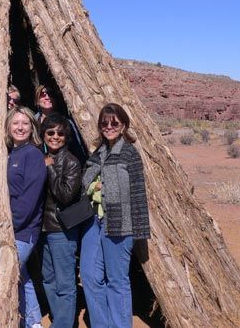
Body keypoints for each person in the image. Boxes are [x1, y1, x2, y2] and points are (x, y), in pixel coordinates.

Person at [80, 103, 150, 328]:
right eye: (104, 123)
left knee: (117, 281)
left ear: (123, 126)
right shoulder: (98, 152)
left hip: (120, 225)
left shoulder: (129, 154)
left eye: (114, 123)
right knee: (90, 277)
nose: (109, 127)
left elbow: (139, 193)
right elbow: (85, 182)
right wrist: (93, 186)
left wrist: (138, 231)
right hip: (94, 222)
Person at [6, 106, 46, 328]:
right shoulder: (12, 152)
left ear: (32, 128)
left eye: (25, 124)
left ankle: (21, 320)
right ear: (8, 126)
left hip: (23, 230)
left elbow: (29, 198)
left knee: (10, 275)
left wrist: (11, 225)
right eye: (15, 123)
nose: (20, 127)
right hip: (14, 227)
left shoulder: (32, 154)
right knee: (22, 275)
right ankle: (33, 322)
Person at [40, 113, 82, 328]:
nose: (55, 137)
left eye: (60, 133)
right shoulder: (42, 156)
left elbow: (65, 195)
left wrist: (49, 168)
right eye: (50, 132)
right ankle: (60, 320)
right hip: (45, 229)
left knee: (65, 283)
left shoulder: (71, 162)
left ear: (66, 136)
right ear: (43, 134)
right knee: (48, 279)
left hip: (61, 230)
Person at [33, 84, 88, 165]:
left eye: (50, 94)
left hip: (63, 165)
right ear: (37, 100)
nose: (47, 97)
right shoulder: (32, 122)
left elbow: (76, 147)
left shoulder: (66, 122)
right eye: (42, 94)